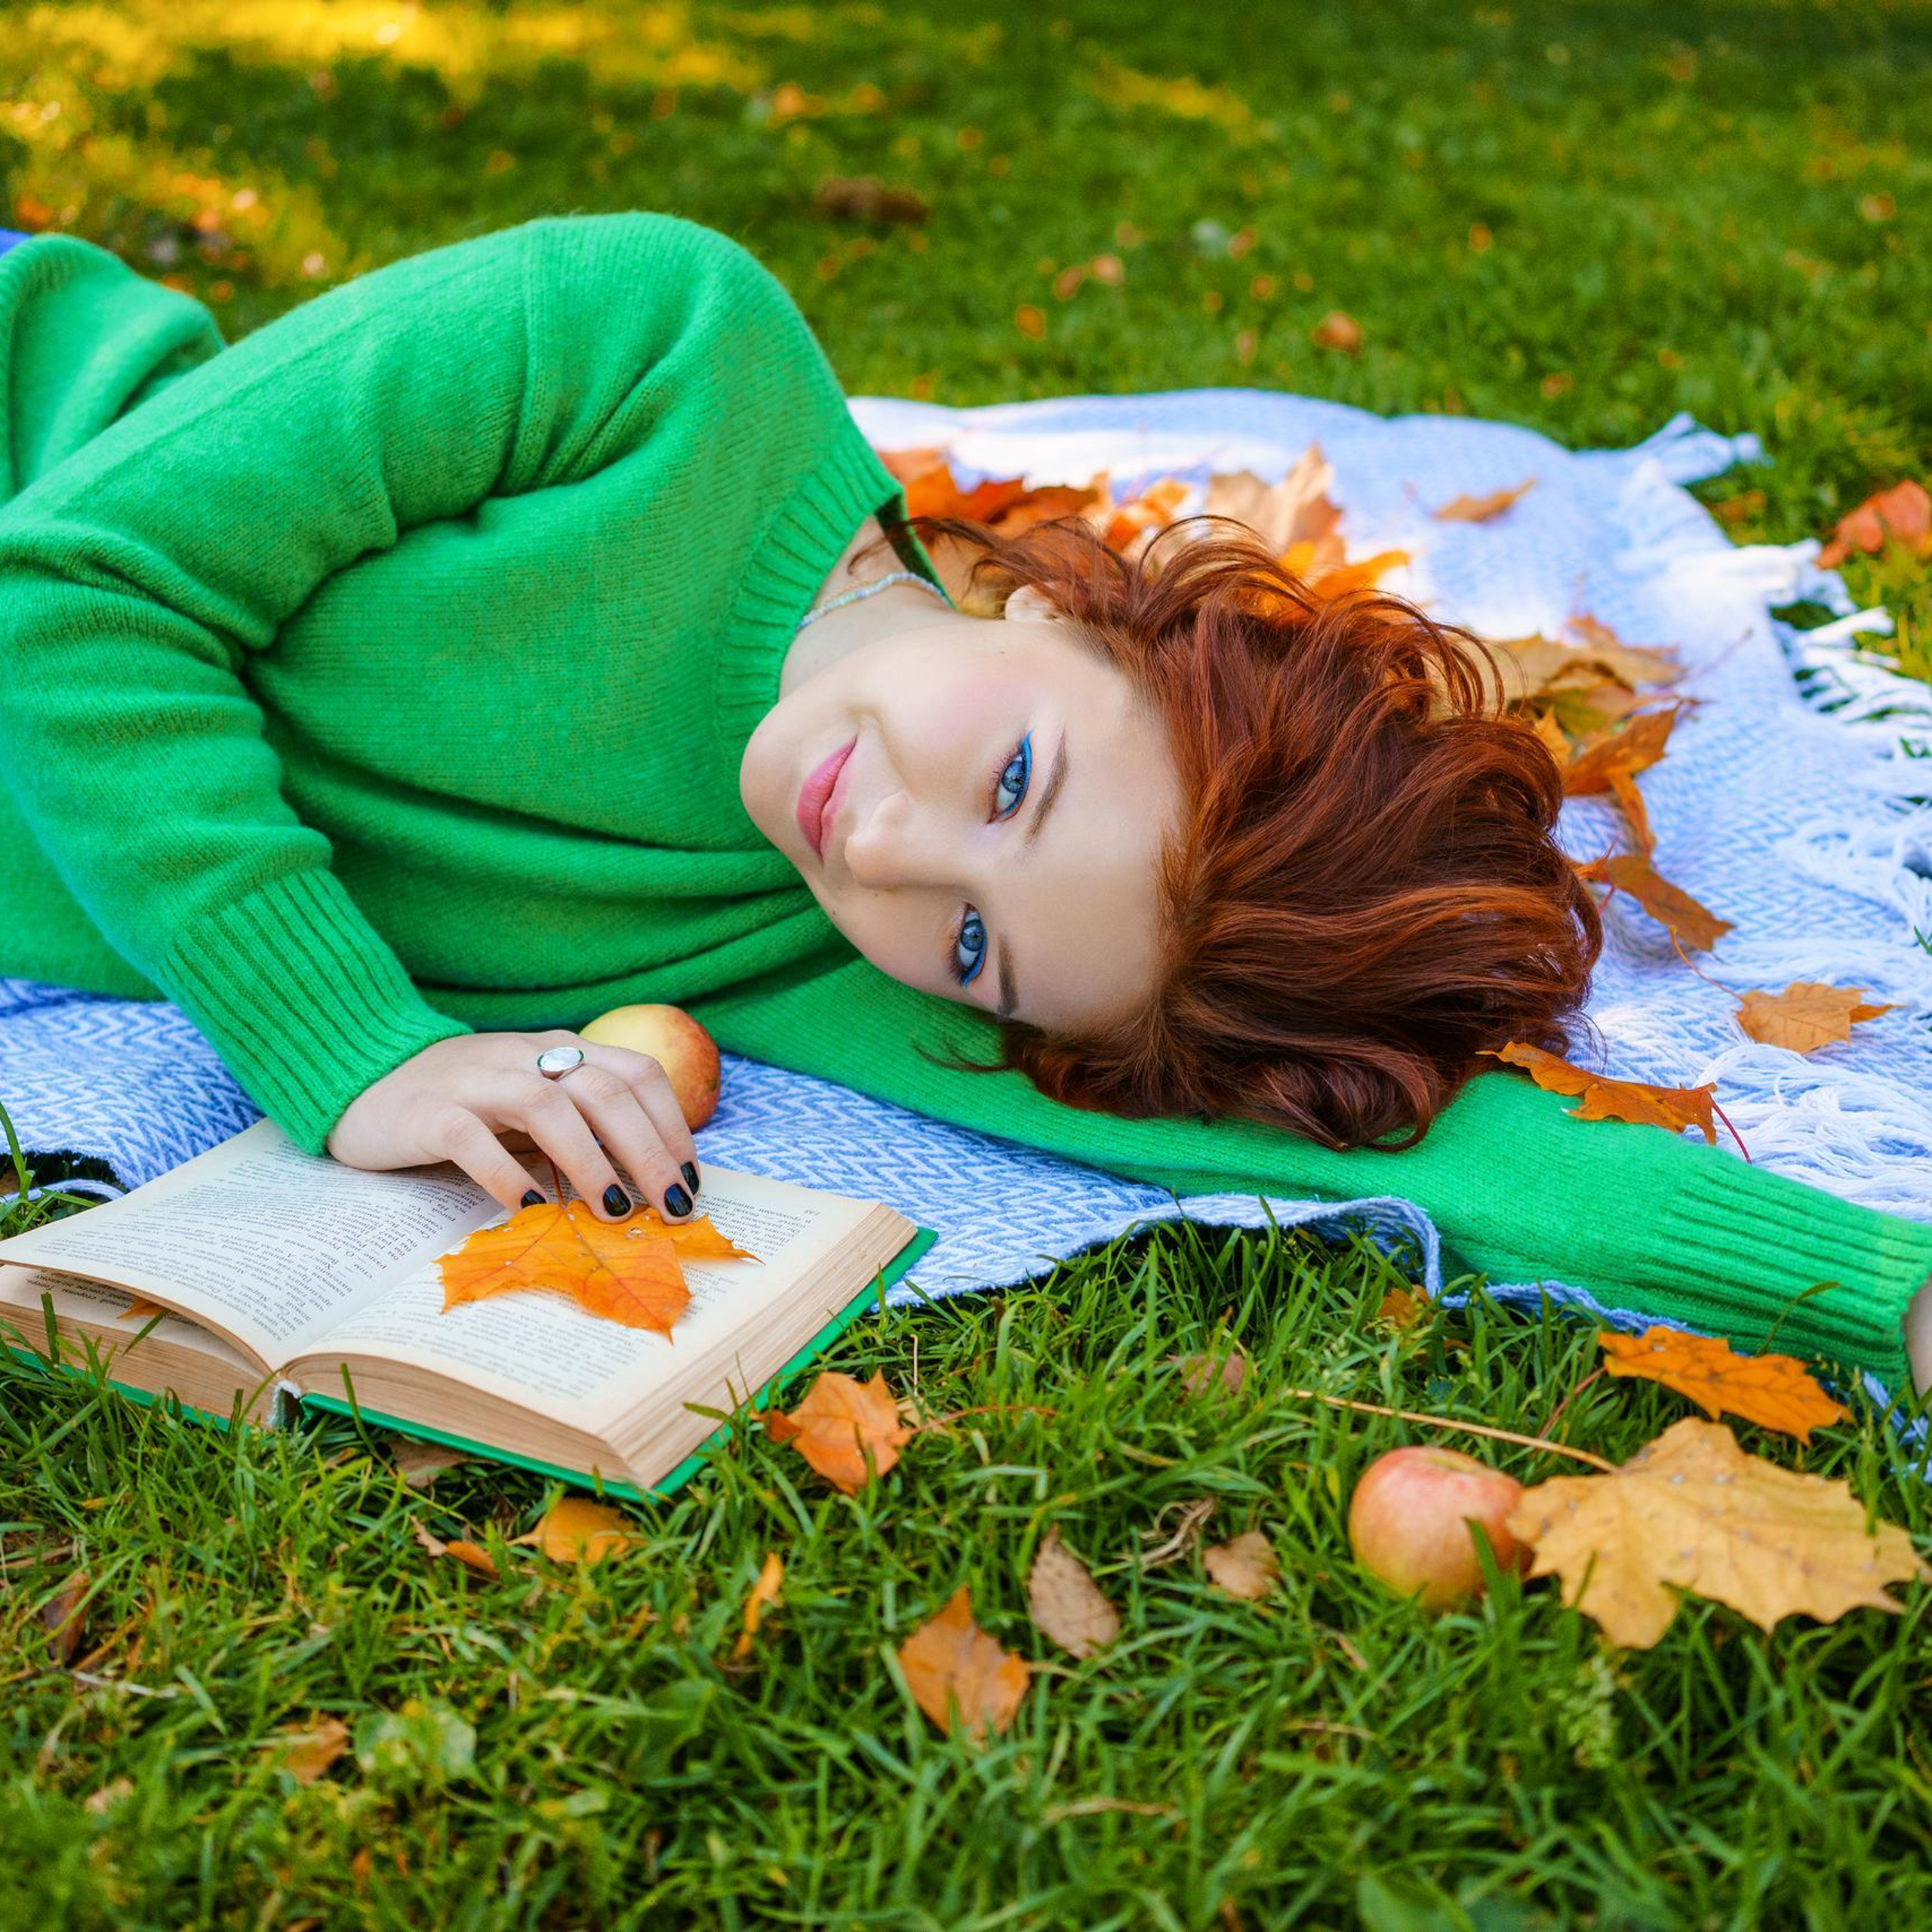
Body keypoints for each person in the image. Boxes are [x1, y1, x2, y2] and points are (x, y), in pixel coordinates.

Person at [0, 211, 1926, 1392]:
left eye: (981, 946)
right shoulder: (662, 348)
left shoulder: (861, 944)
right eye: (1016, 773)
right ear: (1073, 605)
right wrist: (356, 1051)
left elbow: (1441, 1162)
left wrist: (1890, 1293)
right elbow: (69, 589)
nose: (887, 853)